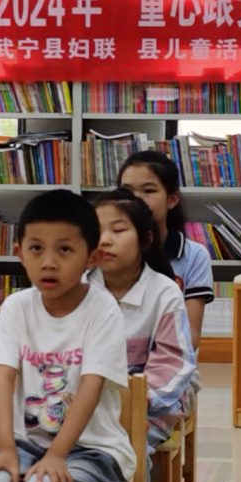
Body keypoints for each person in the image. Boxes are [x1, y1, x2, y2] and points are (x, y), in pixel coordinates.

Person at [0, 188, 133, 482]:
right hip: (26, 444)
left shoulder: (103, 309)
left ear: (93, 257)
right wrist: (6, 449)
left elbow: (91, 388)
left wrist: (56, 455)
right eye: (36, 249)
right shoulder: (16, 307)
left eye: (64, 250)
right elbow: (1, 379)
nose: (48, 263)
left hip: (93, 451)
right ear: (20, 253)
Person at [90, 189, 197, 464]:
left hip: (150, 405)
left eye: (118, 230)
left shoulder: (164, 292)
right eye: (96, 231)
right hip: (86, 402)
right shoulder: (78, 289)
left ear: (146, 239)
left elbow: (173, 360)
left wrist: (139, 400)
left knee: (128, 448)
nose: (105, 240)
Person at [118, 150, 217, 345]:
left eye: (148, 190)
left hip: (171, 357)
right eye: (126, 191)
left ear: (172, 199)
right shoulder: (106, 252)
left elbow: (190, 336)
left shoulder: (194, 255)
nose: (135, 199)